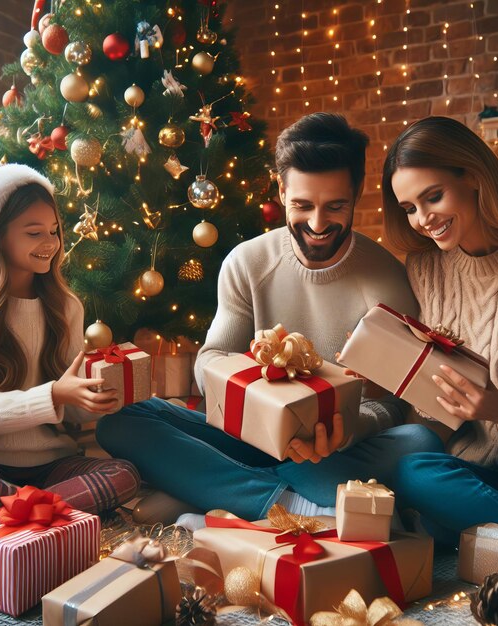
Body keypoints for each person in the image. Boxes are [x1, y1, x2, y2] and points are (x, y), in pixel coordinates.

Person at [97, 113, 443, 522]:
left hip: (335, 453)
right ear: (281, 190)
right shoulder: (247, 263)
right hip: (250, 437)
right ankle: (293, 504)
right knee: (120, 421)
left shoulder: (386, 281)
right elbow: (209, 363)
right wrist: (260, 390)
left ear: (358, 192)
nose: (317, 224)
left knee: (420, 441)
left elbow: (394, 405)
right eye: (302, 205)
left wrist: (348, 427)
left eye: (335, 206)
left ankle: (224, 490)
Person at [0, 163, 141, 586]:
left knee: (124, 474)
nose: (50, 243)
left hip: (47, 464)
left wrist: (92, 398)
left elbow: (69, 410)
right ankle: (35, 521)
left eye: (54, 230)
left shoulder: (66, 305)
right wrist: (57, 395)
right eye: (33, 231)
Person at [380, 116, 498, 547]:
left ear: (473, 176)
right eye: (409, 208)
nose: (422, 220)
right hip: (476, 471)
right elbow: (431, 401)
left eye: (432, 197)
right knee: (413, 472)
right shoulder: (425, 269)